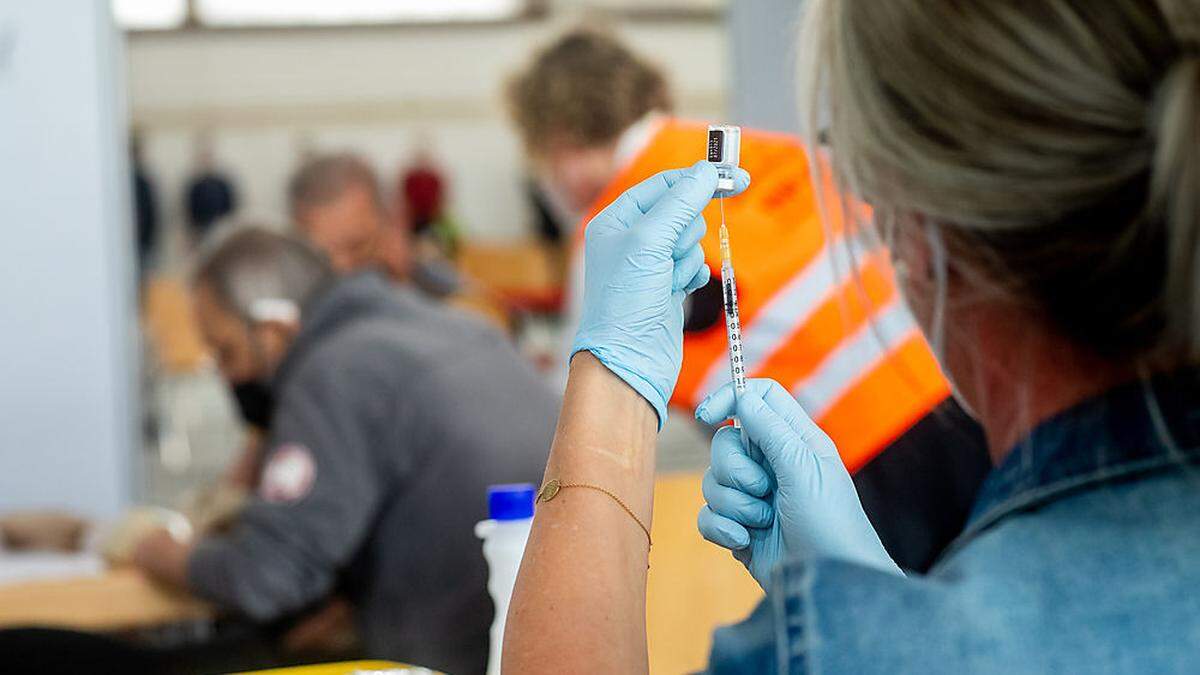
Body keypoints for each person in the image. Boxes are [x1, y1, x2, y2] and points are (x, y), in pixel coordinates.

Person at [504, 0, 1200, 671]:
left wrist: (606, 380)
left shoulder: (621, 222)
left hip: (867, 455)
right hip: (953, 421)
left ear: (919, 228)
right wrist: (880, 591)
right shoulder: (762, 154)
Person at [506, 28, 990, 572]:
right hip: (963, 401)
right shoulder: (771, 151)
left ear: (564, 141)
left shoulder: (618, 231)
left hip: (844, 462)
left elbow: (591, 411)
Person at [130, 227, 558, 674]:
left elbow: (268, 575)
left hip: (443, 657)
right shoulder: (458, 328)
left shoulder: (329, 373)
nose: (226, 375)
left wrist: (161, 551)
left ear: (273, 331)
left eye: (226, 352)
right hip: (537, 637)